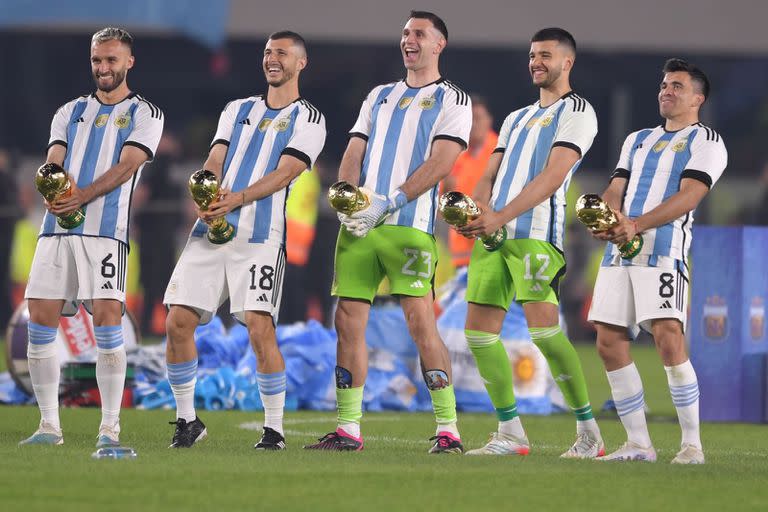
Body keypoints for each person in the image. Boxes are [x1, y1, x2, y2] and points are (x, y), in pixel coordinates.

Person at [304, 11, 471, 454]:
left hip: (407, 228)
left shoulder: (453, 99)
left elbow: (442, 162)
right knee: (347, 323)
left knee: (420, 323)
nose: (408, 40)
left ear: (439, 45)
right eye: (405, 33)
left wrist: (388, 201)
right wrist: (347, 198)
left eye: (419, 34)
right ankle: (348, 429)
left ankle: (448, 428)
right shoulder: (379, 96)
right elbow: (354, 149)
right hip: (361, 227)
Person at [163, 31, 326, 450]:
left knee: (259, 328)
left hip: (259, 237)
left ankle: (274, 429)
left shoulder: (309, 117)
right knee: (177, 322)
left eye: (282, 53)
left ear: (300, 63)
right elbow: (216, 157)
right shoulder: (237, 109)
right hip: (210, 231)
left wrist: (237, 197)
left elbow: (287, 171)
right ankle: (187, 420)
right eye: (268, 52)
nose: (272, 59)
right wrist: (208, 191)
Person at [456, 27, 604, 457]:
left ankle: (589, 431)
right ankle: (510, 432)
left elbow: (554, 175)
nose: (536, 62)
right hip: (494, 238)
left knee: (544, 333)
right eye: (532, 55)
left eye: (545, 55)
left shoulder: (578, 111)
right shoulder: (516, 117)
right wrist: (476, 214)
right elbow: (488, 174)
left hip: (535, 237)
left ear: (567, 62)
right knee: (478, 336)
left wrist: (500, 216)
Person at [21, 27, 164, 446]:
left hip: (105, 233)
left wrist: (80, 195)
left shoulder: (145, 114)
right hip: (56, 232)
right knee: (39, 321)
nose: (103, 68)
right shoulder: (69, 111)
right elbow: (54, 159)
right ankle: (49, 426)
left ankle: (109, 428)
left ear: (129, 62)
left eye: (111, 60)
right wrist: (57, 189)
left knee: (107, 322)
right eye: (97, 60)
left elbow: (128, 165)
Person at [588, 59, 727, 464]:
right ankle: (638, 444)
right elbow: (616, 187)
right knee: (608, 342)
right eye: (664, 85)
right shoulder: (637, 139)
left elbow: (690, 196)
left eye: (678, 86)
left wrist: (636, 224)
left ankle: (691, 446)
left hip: (663, 253)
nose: (667, 91)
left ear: (697, 98)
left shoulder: (707, 141)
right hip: (619, 253)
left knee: (668, 338)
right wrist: (606, 215)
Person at [442, 96, 498, 269]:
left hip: (494, 247)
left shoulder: (501, 151)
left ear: (489, 120)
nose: (474, 125)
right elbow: (442, 202)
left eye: (478, 118)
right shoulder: (454, 155)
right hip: (462, 253)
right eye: (469, 119)